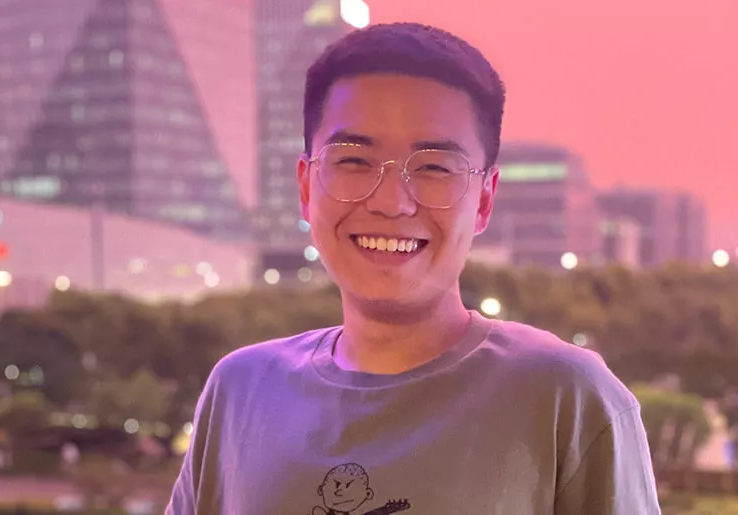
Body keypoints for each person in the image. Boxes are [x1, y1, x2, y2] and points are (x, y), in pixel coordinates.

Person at [166, 22, 661, 514]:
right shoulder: (241, 391)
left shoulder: (565, 398)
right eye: (355, 160)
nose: (390, 202)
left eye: (433, 168)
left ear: (484, 199)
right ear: (305, 185)